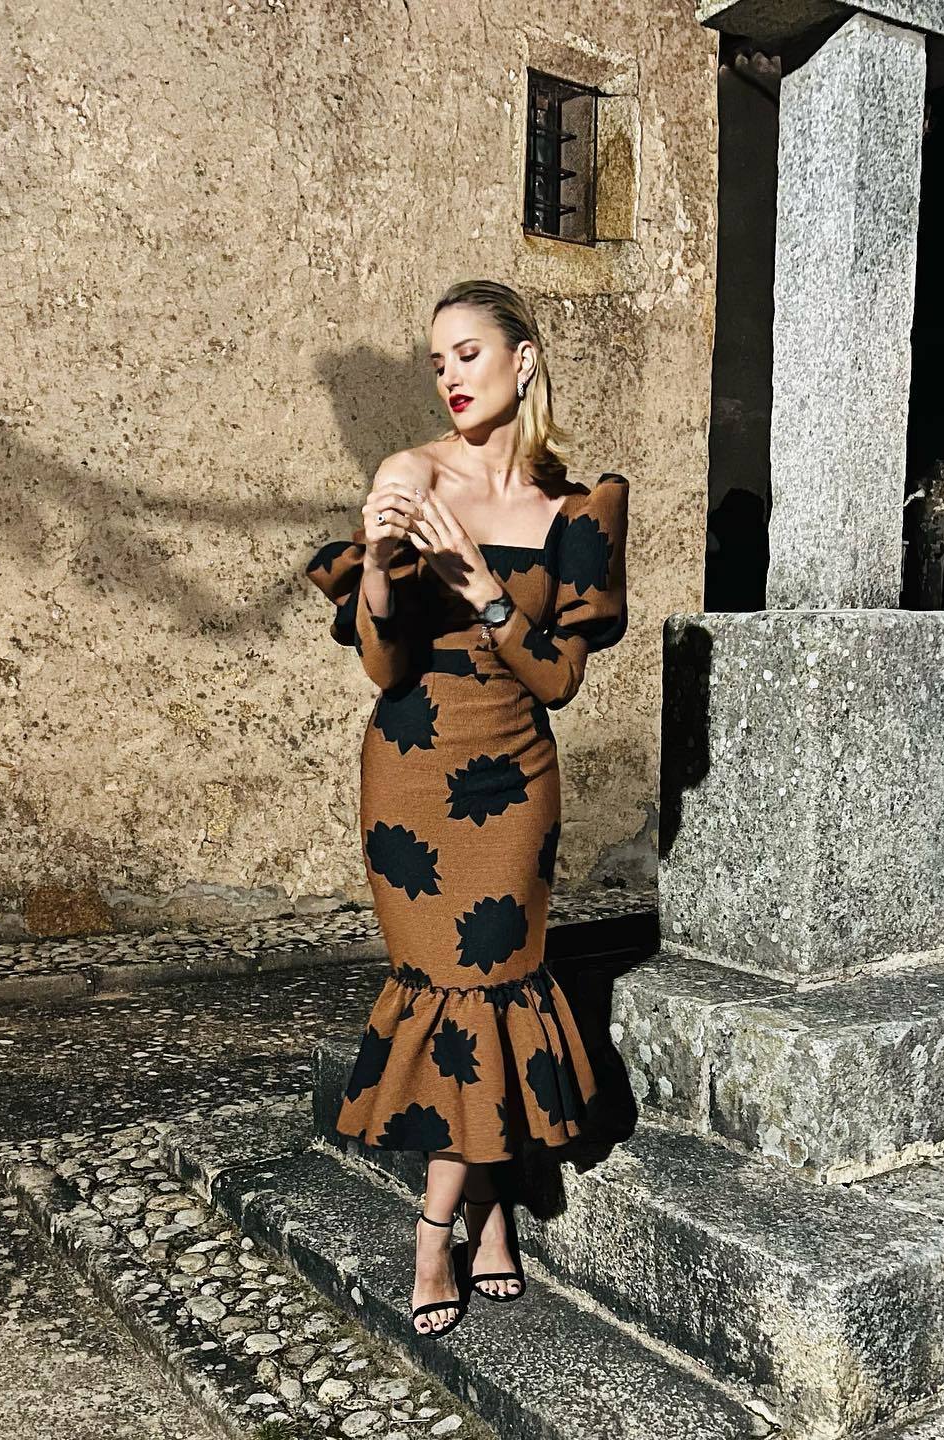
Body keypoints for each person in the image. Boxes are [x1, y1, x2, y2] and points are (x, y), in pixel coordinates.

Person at [305, 278, 629, 1338]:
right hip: (411, 775)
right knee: (452, 992)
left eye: (468, 353)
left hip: (516, 780)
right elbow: (383, 664)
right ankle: (452, 1229)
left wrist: (485, 586)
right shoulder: (411, 473)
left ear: (523, 360)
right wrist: (382, 569)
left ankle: (460, 1224)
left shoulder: (578, 511)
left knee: (495, 988)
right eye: (436, 359)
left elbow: (560, 681)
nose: (448, 375)